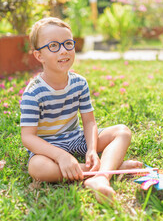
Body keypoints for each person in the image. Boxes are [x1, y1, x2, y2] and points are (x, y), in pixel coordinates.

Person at [20, 17, 142, 202]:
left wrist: (92, 150)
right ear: (39, 56)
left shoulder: (79, 82)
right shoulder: (33, 92)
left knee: (122, 132)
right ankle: (110, 168)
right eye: (53, 45)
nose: (64, 50)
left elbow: (89, 121)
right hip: (49, 148)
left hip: (76, 139)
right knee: (37, 168)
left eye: (68, 44)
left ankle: (101, 177)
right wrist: (60, 156)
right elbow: (28, 137)